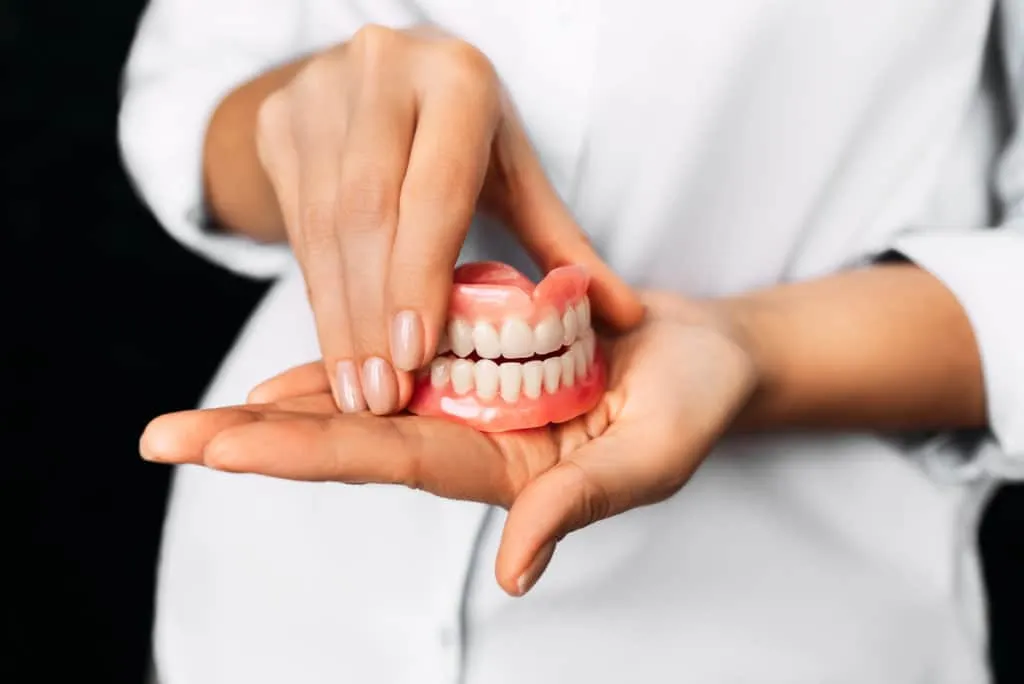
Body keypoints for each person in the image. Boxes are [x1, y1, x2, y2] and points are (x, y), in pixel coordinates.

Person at [119, 1, 1024, 682]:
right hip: (280, 610)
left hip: (780, 627)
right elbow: (186, 101)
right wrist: (315, 118)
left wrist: (753, 350)